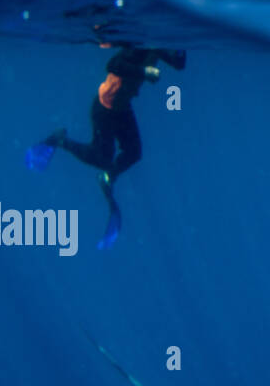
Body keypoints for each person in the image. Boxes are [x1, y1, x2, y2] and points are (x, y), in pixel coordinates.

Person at [42, 43, 187, 249]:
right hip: (105, 107)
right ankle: (60, 141)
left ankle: (108, 177)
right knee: (101, 156)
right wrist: (144, 71)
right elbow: (113, 64)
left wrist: (180, 47)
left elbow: (178, 64)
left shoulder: (157, 44)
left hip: (121, 108)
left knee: (134, 152)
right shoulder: (140, 46)